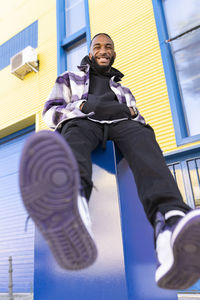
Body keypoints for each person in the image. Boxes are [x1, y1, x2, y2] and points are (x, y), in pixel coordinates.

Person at [19, 33, 200, 290]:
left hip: (120, 126)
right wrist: (82, 107)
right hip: (84, 122)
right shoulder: (69, 78)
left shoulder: (122, 88)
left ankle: (170, 225)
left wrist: (129, 112)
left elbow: (136, 116)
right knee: (73, 133)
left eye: (108, 47)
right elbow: (51, 112)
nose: (103, 50)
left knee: (144, 137)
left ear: (113, 53)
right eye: (98, 46)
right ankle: (72, 210)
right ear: (91, 52)